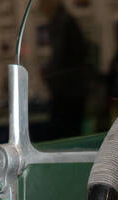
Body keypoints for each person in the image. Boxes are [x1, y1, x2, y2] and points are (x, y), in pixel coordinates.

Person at [40, 0, 91, 138]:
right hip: (72, 86)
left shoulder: (61, 21)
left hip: (66, 88)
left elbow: (60, 54)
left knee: (64, 133)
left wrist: (48, 75)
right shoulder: (65, 19)